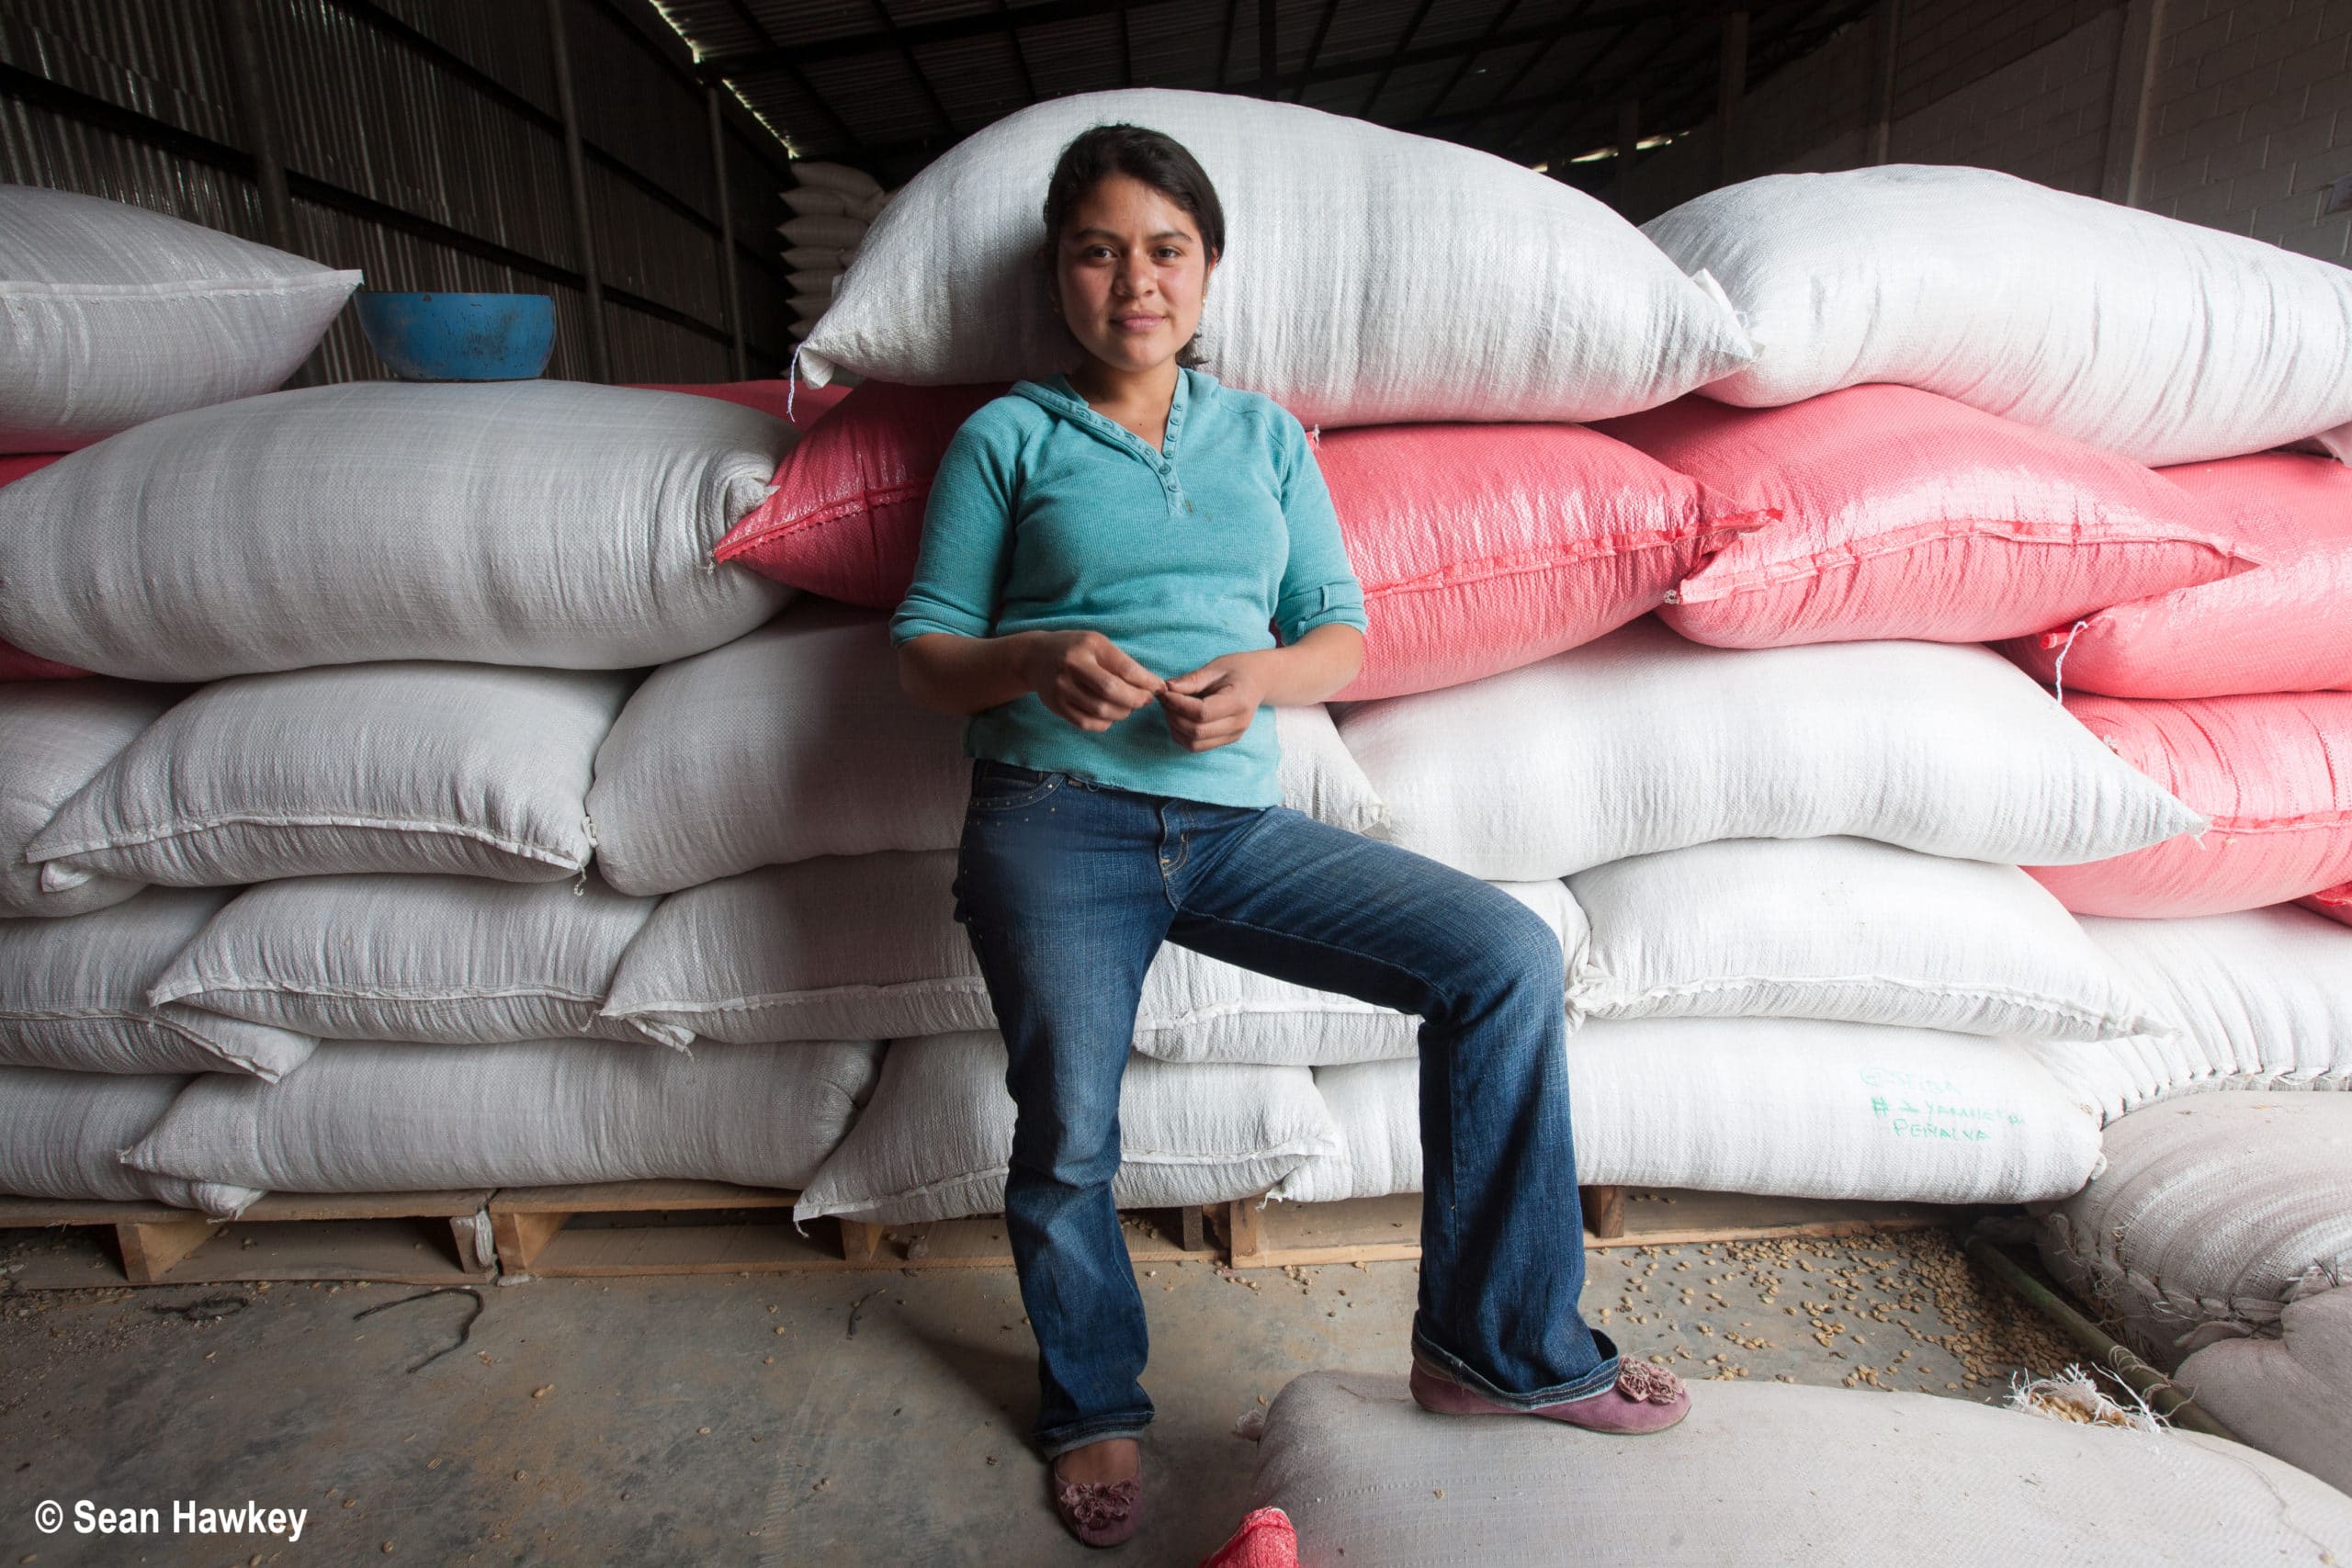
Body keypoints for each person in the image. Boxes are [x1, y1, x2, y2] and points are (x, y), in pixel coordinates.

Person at [890, 123, 1689, 1551]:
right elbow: (925, 652)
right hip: (1051, 825)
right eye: (1098, 250)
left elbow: (1338, 630)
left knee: (1500, 954)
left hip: (1233, 830)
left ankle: (1489, 1345)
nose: (1134, 280)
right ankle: (1094, 1406)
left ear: (1208, 271)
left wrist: (1256, 679)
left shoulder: (1265, 436)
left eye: (1166, 249)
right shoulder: (1005, 437)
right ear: (1059, 277)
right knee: (1068, 1131)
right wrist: (1033, 659)